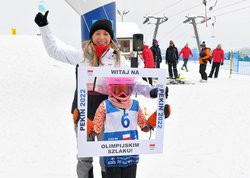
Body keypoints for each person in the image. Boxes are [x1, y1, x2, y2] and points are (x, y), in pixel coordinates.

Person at [34, 11, 168, 178]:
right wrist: (44, 27)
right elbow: (55, 51)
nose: (101, 37)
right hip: (82, 110)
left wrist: (152, 91)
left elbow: (134, 80)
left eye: (105, 34)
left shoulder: (118, 60)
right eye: (97, 33)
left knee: (107, 155)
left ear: (110, 38)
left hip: (107, 111)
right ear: (92, 36)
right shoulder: (82, 55)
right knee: (84, 157)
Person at [87, 77, 171, 178]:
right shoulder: (105, 105)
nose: (122, 93)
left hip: (130, 153)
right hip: (112, 154)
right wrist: (83, 121)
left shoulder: (135, 105)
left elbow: (144, 125)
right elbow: (96, 129)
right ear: (111, 89)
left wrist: (158, 116)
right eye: (118, 90)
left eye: (126, 89)